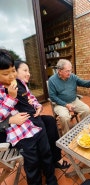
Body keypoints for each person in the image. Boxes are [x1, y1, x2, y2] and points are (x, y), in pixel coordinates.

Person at [0, 49, 58, 185]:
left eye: (13, 70)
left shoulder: (20, 82)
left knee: (47, 154)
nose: (11, 76)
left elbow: (31, 97)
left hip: (37, 125)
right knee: (32, 164)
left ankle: (51, 179)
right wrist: (11, 98)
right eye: (5, 74)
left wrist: (38, 105)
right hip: (21, 133)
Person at [14, 59, 70, 169]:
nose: (28, 74)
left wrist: (38, 106)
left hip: (31, 117)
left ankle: (56, 157)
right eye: (25, 70)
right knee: (43, 125)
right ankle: (45, 160)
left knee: (50, 120)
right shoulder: (9, 88)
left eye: (29, 71)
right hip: (19, 125)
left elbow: (33, 99)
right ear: (14, 72)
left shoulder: (23, 86)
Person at [48, 59, 90, 129]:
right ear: (60, 71)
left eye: (70, 70)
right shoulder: (52, 80)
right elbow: (52, 97)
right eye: (67, 71)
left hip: (74, 101)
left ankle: (83, 129)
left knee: (86, 109)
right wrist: (66, 105)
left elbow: (82, 83)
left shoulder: (72, 77)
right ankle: (65, 136)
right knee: (64, 118)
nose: (70, 73)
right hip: (60, 104)